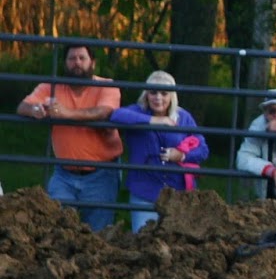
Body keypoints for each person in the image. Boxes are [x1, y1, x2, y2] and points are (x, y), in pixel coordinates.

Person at [17, 44, 123, 230]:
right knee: (57, 228)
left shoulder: (107, 86)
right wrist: (35, 110)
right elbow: (22, 106)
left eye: (82, 58)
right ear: (65, 63)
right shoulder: (51, 86)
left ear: (93, 63)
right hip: (64, 174)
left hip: (101, 173)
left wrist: (66, 114)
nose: (77, 63)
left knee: (98, 233)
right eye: (72, 58)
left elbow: (103, 112)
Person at [109, 71, 209, 231]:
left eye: (164, 93)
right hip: (144, 191)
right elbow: (116, 116)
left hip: (177, 194)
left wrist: (182, 155)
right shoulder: (137, 111)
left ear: (172, 96)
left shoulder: (184, 117)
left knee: (175, 245)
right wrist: (155, 120)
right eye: (153, 92)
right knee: (143, 240)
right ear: (146, 94)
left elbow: (203, 150)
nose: (158, 98)